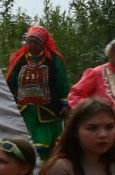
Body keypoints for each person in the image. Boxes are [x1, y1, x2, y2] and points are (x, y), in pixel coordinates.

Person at [6, 25, 71, 158]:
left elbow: (62, 82)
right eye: (30, 41)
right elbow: (11, 80)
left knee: (46, 146)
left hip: (47, 109)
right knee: (25, 142)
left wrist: (65, 102)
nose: (32, 45)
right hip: (24, 109)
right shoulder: (19, 59)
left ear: (43, 44)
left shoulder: (53, 60)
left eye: (37, 42)